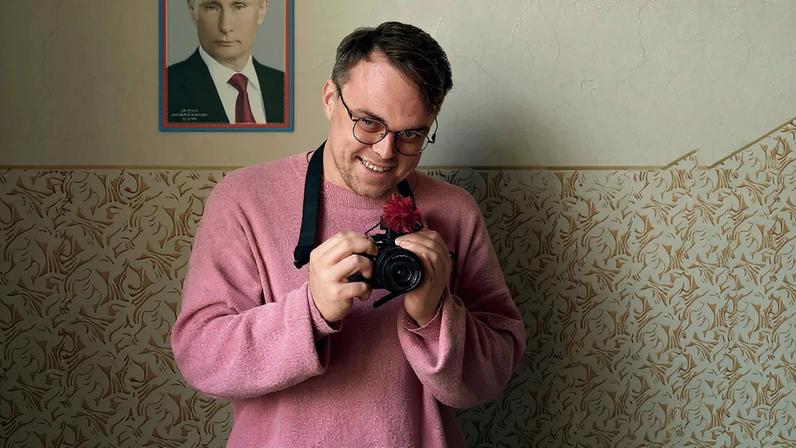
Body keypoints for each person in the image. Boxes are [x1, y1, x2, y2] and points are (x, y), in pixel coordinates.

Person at [171, 21, 526, 447]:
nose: (385, 151)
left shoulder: (454, 212)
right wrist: (310, 309)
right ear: (329, 99)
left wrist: (435, 314)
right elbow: (201, 359)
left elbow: (494, 371)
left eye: (411, 133)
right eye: (369, 122)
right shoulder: (244, 199)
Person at [167, 0, 284, 124]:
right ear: (192, 11)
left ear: (262, 9)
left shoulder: (289, 87)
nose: (225, 27)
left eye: (239, 7)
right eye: (212, 7)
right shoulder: (161, 89)